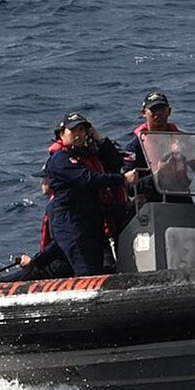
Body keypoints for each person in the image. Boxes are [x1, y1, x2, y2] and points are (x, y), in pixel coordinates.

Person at [39, 112, 131, 276]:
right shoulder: (61, 159)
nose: (78, 134)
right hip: (70, 220)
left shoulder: (86, 156)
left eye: (82, 130)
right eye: (74, 130)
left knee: (95, 267)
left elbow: (115, 162)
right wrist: (122, 179)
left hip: (89, 221)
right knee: (86, 270)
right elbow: (87, 179)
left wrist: (98, 138)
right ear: (62, 134)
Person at [123, 92, 195, 196]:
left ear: (169, 111)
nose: (158, 114)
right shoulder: (134, 148)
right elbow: (129, 188)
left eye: (162, 109)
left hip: (181, 197)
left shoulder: (184, 141)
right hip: (151, 201)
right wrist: (158, 175)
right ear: (144, 113)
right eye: (153, 110)